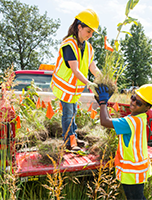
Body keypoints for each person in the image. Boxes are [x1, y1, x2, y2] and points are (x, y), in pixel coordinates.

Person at [95, 84, 152, 200]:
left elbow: (105, 122)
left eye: (139, 103)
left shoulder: (130, 122)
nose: (134, 102)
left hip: (132, 173)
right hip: (138, 170)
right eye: (134, 98)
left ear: (147, 108)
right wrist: (103, 105)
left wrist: (103, 104)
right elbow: (111, 121)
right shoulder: (141, 117)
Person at [50, 9, 102, 151]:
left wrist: (103, 78)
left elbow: (93, 67)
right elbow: (75, 69)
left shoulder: (88, 47)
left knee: (72, 113)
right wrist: (89, 83)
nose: (90, 35)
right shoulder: (69, 45)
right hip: (64, 86)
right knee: (68, 115)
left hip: (73, 89)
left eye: (92, 32)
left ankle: (74, 139)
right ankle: (69, 143)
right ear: (79, 27)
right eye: (88, 31)